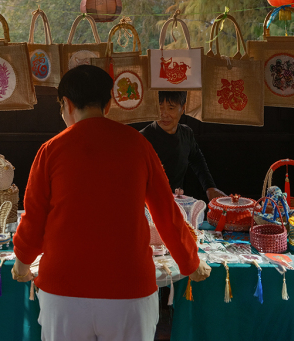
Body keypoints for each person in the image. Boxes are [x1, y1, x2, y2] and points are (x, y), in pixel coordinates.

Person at [12, 65, 210, 341]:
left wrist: (22, 264)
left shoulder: (50, 151)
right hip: (129, 290)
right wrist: (191, 263)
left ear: (66, 105)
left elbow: (34, 220)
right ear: (109, 104)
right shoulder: (138, 145)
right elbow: (166, 213)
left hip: (64, 290)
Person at [140, 91, 225, 202]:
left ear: (183, 108)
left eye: (171, 108)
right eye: (160, 107)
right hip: (148, 205)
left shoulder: (186, 133)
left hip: (176, 201)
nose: (164, 114)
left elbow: (197, 160)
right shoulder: (142, 138)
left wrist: (210, 188)